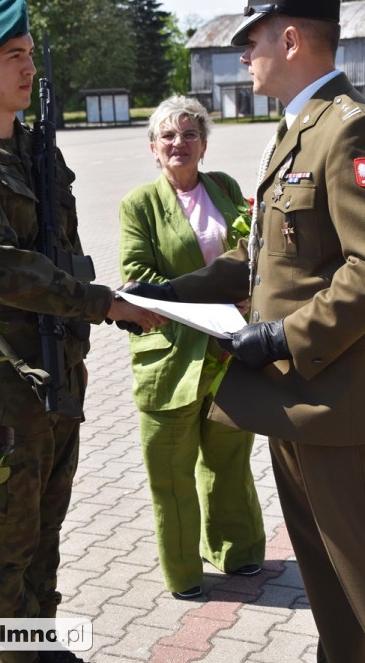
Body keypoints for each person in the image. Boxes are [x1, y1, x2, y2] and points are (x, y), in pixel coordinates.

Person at [124, 0, 365, 663]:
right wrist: (162, 294)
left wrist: (282, 333)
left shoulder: (351, 131)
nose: (241, 53)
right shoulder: (293, 133)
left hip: (337, 406)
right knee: (329, 584)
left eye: (250, 40)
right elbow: (258, 262)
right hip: (293, 398)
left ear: (288, 40)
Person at [0, 0, 162, 663]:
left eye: (28, 54)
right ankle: (14, 651)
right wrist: (105, 303)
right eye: (12, 57)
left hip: (59, 370)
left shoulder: (32, 150)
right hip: (5, 384)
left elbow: (62, 253)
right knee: (7, 542)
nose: (28, 68)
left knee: (48, 531)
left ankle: (40, 642)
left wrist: (110, 298)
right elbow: (3, 272)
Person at [119, 95, 265, 599]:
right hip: (172, 355)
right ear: (153, 147)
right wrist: (207, 297)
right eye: (168, 136)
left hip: (228, 350)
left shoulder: (225, 188)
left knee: (229, 460)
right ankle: (184, 573)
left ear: (204, 143)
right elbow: (137, 277)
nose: (179, 143)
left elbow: (252, 251)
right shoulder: (139, 204)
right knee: (172, 473)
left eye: (189, 133)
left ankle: (238, 551)